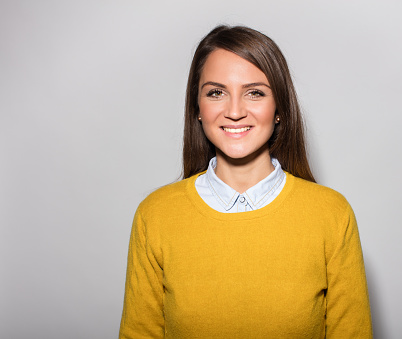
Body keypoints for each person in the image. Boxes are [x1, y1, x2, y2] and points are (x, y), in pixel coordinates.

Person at [119, 25, 372, 338]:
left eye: (255, 92)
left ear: (279, 108)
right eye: (216, 92)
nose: (235, 111)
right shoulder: (155, 216)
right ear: (197, 108)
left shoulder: (331, 214)